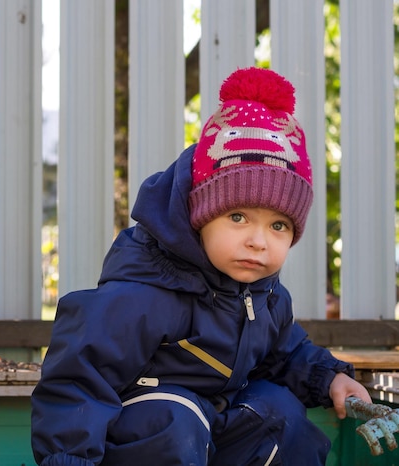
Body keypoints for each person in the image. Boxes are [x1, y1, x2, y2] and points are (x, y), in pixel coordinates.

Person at [31, 67, 371, 466]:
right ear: (200, 215)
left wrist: (328, 376)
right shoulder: (143, 293)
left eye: (278, 226)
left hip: (211, 428)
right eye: (238, 218)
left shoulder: (264, 296)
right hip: (144, 436)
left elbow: (285, 352)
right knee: (177, 417)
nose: (258, 241)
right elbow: (79, 380)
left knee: (280, 413)